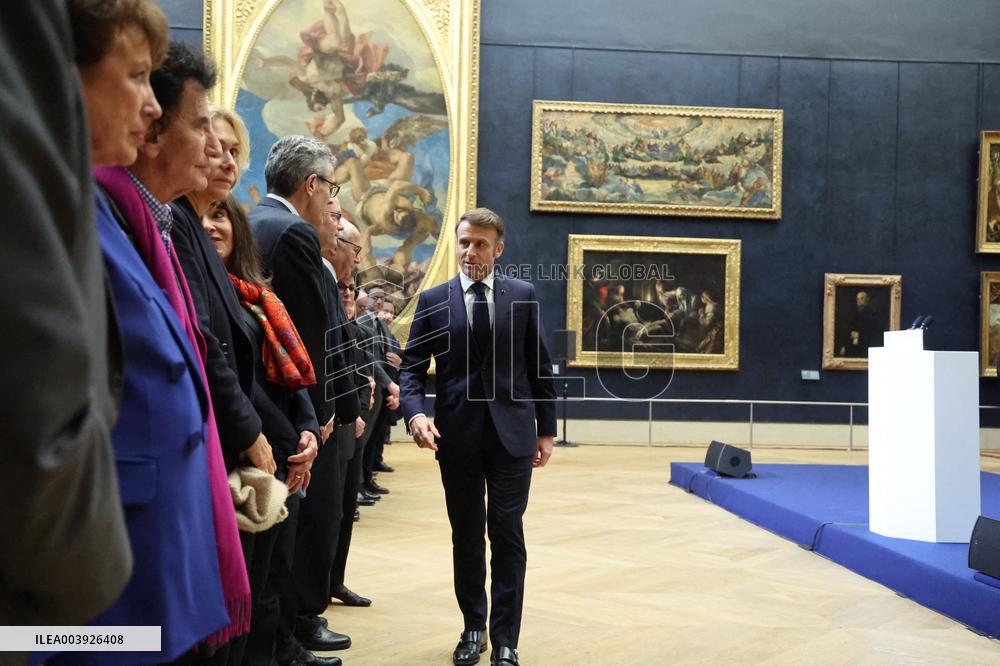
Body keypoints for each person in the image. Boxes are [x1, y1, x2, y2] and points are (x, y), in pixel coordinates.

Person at [0, 0, 162, 628]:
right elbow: (42, 375)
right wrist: (83, 579)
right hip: (49, 565)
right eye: (137, 76)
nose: (152, 105)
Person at [87, 38, 251, 661]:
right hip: (112, 554)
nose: (214, 145)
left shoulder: (155, 220)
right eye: (203, 125)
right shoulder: (94, 214)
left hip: (160, 531)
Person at [400, 208, 557, 666]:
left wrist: (545, 430)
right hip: (457, 437)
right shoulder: (432, 300)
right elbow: (410, 371)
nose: (471, 252)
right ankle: (473, 628)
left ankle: (506, 638)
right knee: (466, 535)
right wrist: (415, 417)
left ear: (498, 248)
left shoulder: (523, 296)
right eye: (465, 243)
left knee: (507, 533)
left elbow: (539, 367)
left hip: (513, 437)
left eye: (481, 244)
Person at [204, 194, 325, 666]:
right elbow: (237, 382)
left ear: (239, 230)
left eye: (221, 216)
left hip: (280, 455)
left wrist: (310, 430)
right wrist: (290, 440)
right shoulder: (209, 297)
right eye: (204, 218)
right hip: (245, 455)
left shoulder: (261, 297)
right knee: (241, 589)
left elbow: (295, 378)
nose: (212, 227)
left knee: (272, 578)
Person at [249, 135, 357, 665]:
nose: (330, 201)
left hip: (260, 406)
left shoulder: (254, 221)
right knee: (283, 536)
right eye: (330, 187)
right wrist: (318, 415)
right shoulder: (290, 232)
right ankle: (282, 641)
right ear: (311, 184)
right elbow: (303, 337)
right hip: (284, 410)